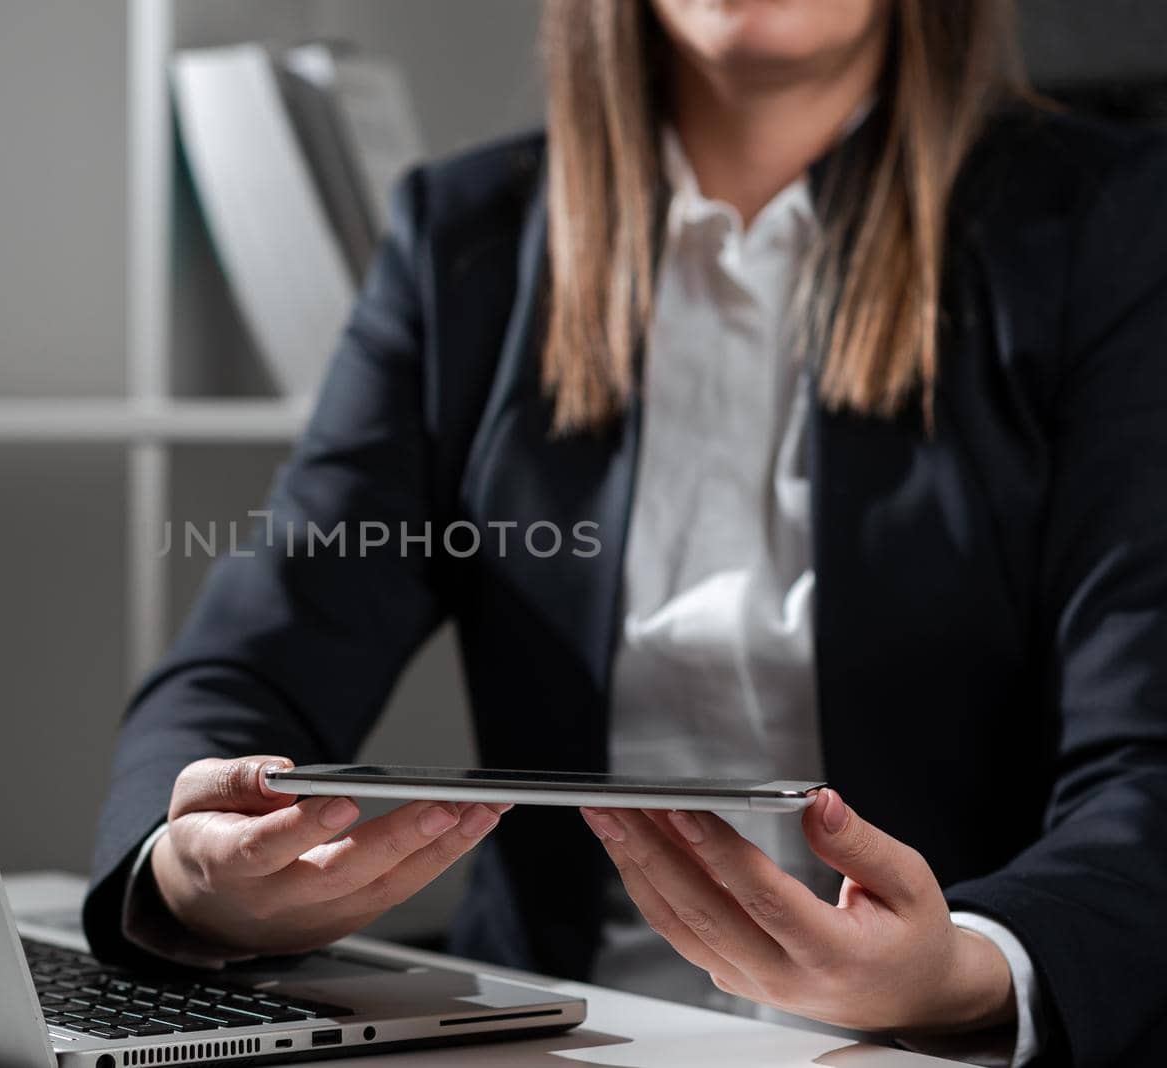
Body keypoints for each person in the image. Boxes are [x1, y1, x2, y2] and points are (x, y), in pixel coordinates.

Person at [85, 1, 1167, 1064]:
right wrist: (189, 877)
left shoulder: (1109, 226)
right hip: (545, 1037)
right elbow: (252, 651)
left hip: (923, 1050)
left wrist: (961, 972)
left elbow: (1145, 763)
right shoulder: (463, 239)